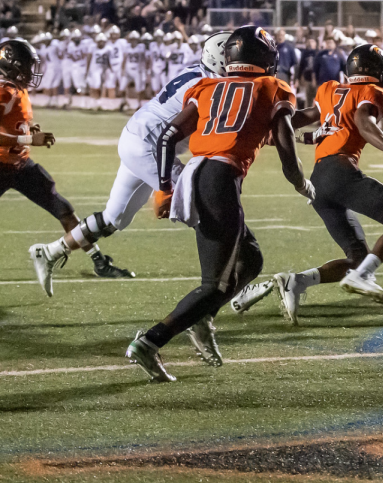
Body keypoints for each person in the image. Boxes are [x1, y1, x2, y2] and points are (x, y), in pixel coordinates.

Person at [124, 26, 313, 383]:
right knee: (217, 284)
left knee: (251, 258)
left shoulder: (206, 86)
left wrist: (165, 187)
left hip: (194, 175)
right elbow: (284, 137)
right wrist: (298, 180)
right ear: (265, 57)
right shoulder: (272, 87)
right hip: (219, 180)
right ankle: (151, 340)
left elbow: (167, 136)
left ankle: (200, 317)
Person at [233, 45, 383, 322]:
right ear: (374, 71)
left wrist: (279, 134)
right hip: (340, 172)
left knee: (357, 256)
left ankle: (296, 282)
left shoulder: (330, 90)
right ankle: (365, 276)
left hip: (319, 181)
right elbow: (362, 121)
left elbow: (294, 121)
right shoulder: (373, 93)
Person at [30, 33, 232, 294]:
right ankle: (229, 282)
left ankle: (49, 251)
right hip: (150, 145)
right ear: (219, 59)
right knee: (205, 207)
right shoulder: (211, 84)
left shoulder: (197, 71)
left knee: (115, 218)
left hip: (136, 137)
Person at [0, 40, 128, 297]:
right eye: (26, 66)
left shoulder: (18, 89)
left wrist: (28, 131)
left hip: (21, 165)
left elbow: (12, 124)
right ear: (12, 66)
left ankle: (99, 262)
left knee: (64, 209)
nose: (31, 71)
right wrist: (27, 139)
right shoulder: (4, 91)